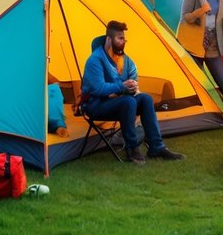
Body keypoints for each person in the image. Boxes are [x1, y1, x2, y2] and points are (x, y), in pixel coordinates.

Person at [80, 20, 186, 164]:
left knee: (145, 99)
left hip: (119, 101)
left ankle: (157, 147)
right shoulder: (95, 60)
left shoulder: (127, 61)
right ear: (109, 39)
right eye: (120, 38)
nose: (124, 42)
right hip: (96, 105)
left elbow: (132, 81)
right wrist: (122, 87)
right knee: (128, 101)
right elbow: (99, 89)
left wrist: (132, 87)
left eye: (124, 39)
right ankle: (132, 149)